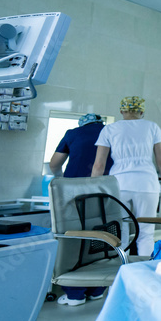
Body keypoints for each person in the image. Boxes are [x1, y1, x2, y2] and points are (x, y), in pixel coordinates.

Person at [92, 96, 161, 258]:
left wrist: (94, 190)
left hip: (119, 186)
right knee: (146, 232)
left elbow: (99, 165)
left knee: (121, 230)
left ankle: (123, 268)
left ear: (121, 110)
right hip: (147, 185)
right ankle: (144, 271)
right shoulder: (152, 127)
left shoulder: (109, 129)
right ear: (142, 111)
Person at [50, 113, 113, 307]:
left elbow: (54, 164)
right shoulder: (111, 132)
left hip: (73, 191)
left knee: (74, 238)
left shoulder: (73, 133)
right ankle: (97, 289)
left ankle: (75, 293)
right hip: (106, 190)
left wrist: (60, 179)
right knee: (102, 236)